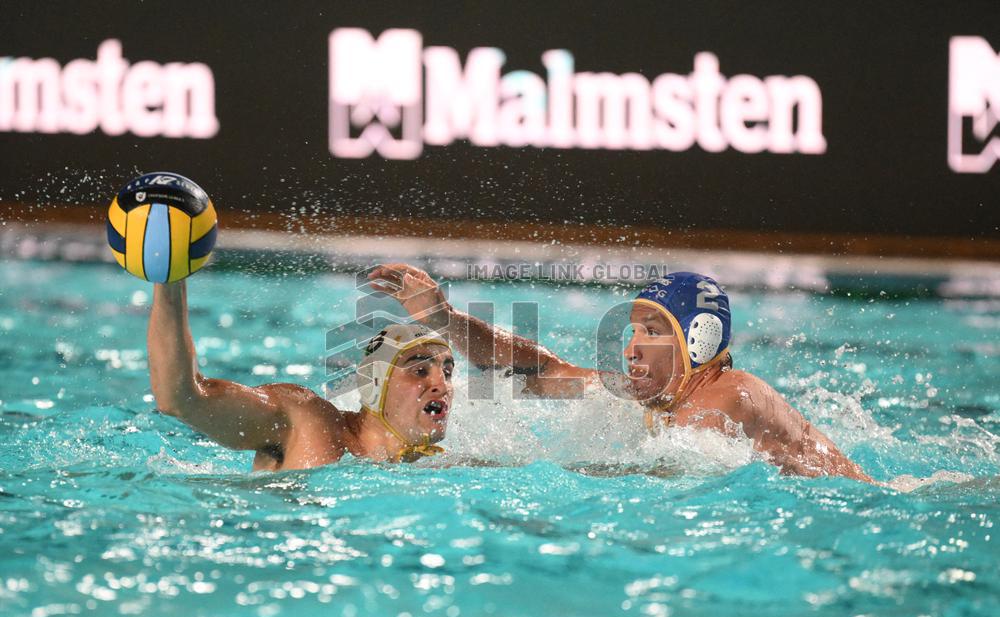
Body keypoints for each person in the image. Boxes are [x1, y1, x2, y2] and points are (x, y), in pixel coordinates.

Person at [368, 264, 875, 483]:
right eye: (632, 330)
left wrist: (489, 468)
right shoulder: (655, 396)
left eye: (652, 331)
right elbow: (538, 368)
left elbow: (664, 474)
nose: (630, 348)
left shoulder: (731, 396)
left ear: (697, 340)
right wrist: (445, 319)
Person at [147, 281, 454, 470]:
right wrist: (170, 281)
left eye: (448, 371)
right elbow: (180, 398)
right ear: (375, 383)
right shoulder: (305, 418)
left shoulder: (434, 467)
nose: (441, 385)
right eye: (420, 370)